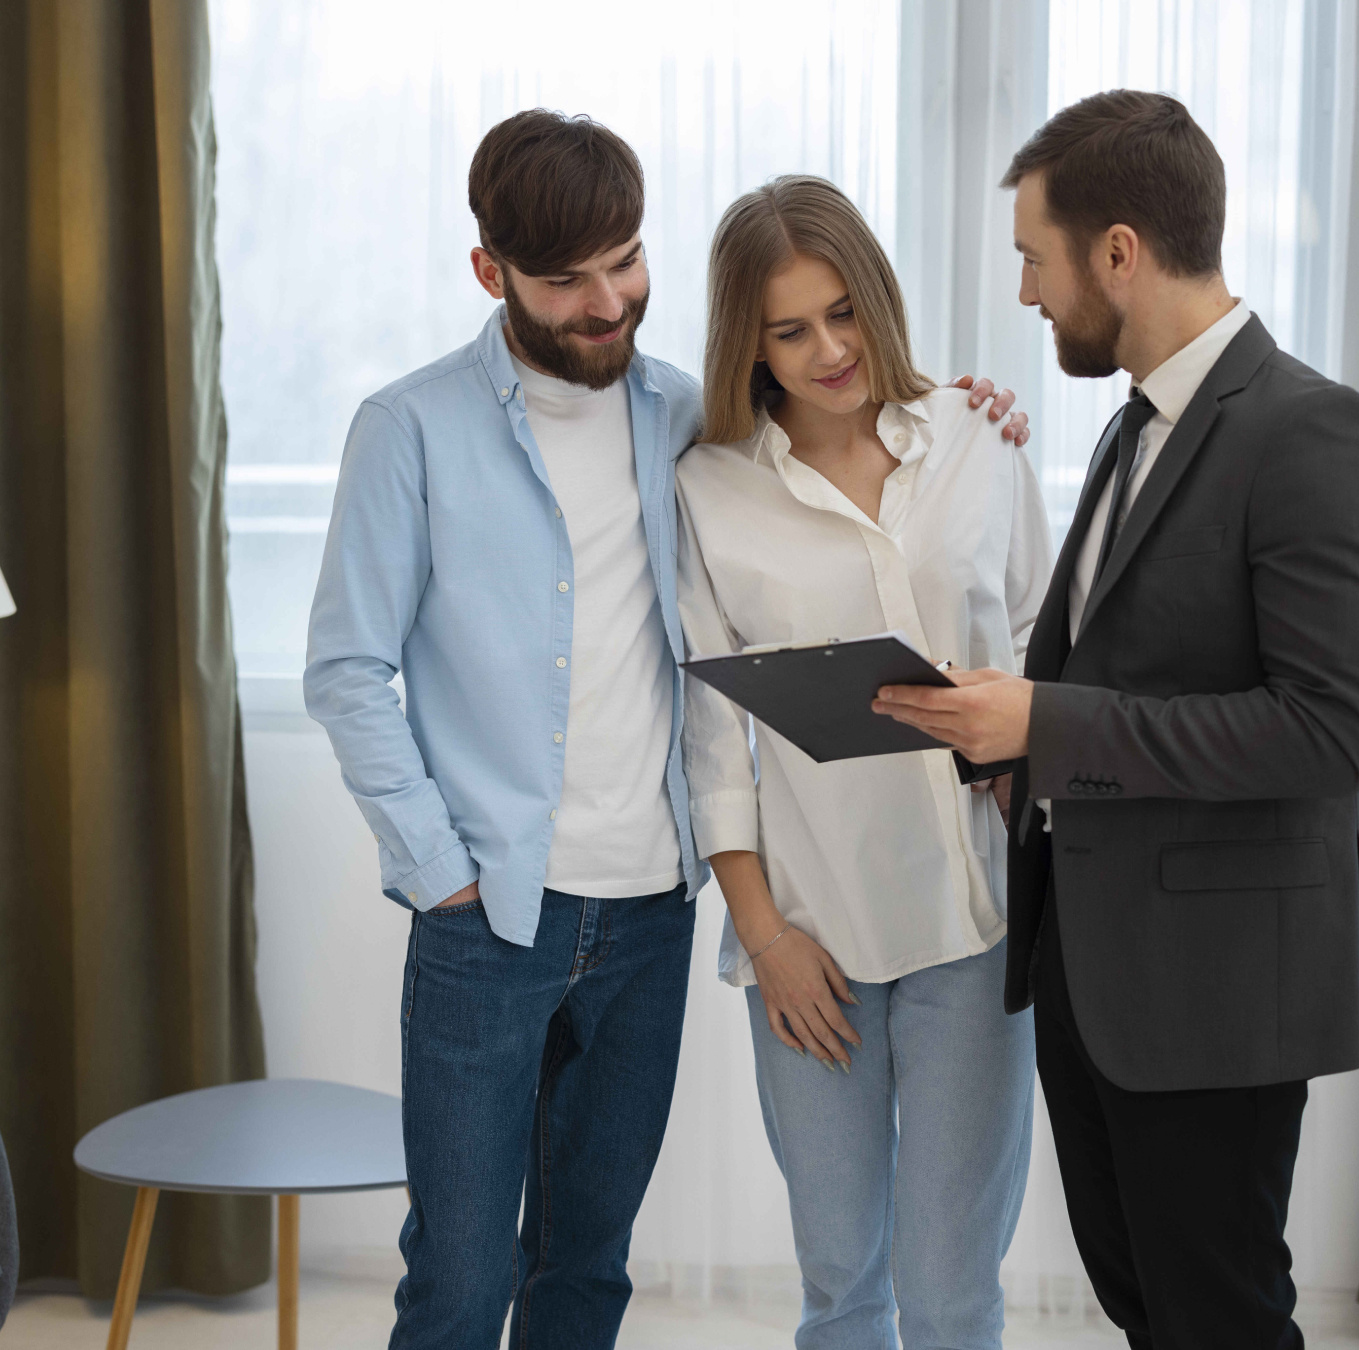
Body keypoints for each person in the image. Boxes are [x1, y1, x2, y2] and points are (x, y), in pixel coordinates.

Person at [305, 110, 1028, 1349]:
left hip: (648, 916)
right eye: (564, 278)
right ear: (492, 275)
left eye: (625, 262)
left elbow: (965, 617)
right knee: (463, 1279)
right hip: (494, 918)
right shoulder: (416, 430)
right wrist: (443, 875)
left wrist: (979, 410)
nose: (605, 301)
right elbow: (345, 669)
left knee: (589, 1268)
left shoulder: (686, 421)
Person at [871, 90, 1359, 1347]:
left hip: (1215, 994)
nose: (1024, 294)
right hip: (1095, 970)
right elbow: (1126, 672)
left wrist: (1048, 725)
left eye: (1032, 258)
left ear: (1119, 250)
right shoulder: (1132, 427)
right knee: (1145, 1306)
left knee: (1216, 1314)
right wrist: (1008, 749)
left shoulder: (1314, 433)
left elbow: (1329, 730)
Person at [676, 174, 1050, 1348]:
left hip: (976, 920)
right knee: (843, 1289)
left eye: (845, 311)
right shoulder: (707, 488)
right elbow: (711, 742)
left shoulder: (979, 438)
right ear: (749, 340)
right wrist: (767, 940)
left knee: (949, 1293)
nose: (829, 349)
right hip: (812, 937)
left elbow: (1045, 643)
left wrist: (1018, 745)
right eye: (789, 329)